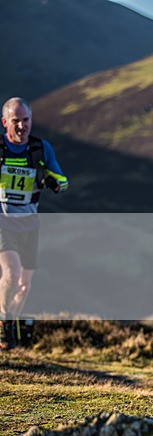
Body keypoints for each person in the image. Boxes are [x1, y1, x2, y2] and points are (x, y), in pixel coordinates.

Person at [0, 97, 69, 348]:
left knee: (24, 285)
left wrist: (54, 182)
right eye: (16, 121)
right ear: (4, 122)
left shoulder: (41, 150)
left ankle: (10, 328)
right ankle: (4, 324)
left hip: (29, 225)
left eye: (26, 120)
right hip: (3, 223)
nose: (21, 126)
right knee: (12, 272)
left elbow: (63, 181)